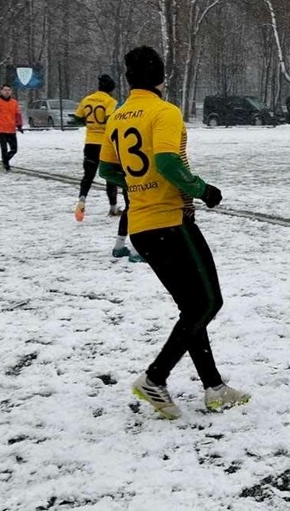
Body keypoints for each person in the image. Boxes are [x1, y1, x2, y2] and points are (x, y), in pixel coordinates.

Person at [99, 45, 249, 419]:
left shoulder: (118, 116)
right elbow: (167, 162)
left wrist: (137, 185)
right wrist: (202, 190)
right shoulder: (164, 112)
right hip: (170, 221)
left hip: (140, 227)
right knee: (208, 303)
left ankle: (214, 388)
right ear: (161, 77)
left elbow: (107, 170)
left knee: (192, 308)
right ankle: (155, 377)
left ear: (129, 79)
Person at [73, 75, 123, 222]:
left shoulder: (87, 99)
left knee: (88, 175)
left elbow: (77, 117)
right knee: (110, 176)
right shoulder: (110, 101)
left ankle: (82, 200)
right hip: (105, 144)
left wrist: (89, 124)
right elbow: (109, 119)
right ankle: (113, 207)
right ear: (111, 89)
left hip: (90, 142)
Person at [0, 85, 24, 170]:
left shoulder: (14, 102)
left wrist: (19, 125)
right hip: (1, 129)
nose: (7, 92)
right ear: (1, 91)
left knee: (14, 149)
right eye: (5, 90)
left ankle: (4, 161)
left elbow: (17, 114)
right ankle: (6, 166)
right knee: (4, 148)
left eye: (9, 90)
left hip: (11, 129)